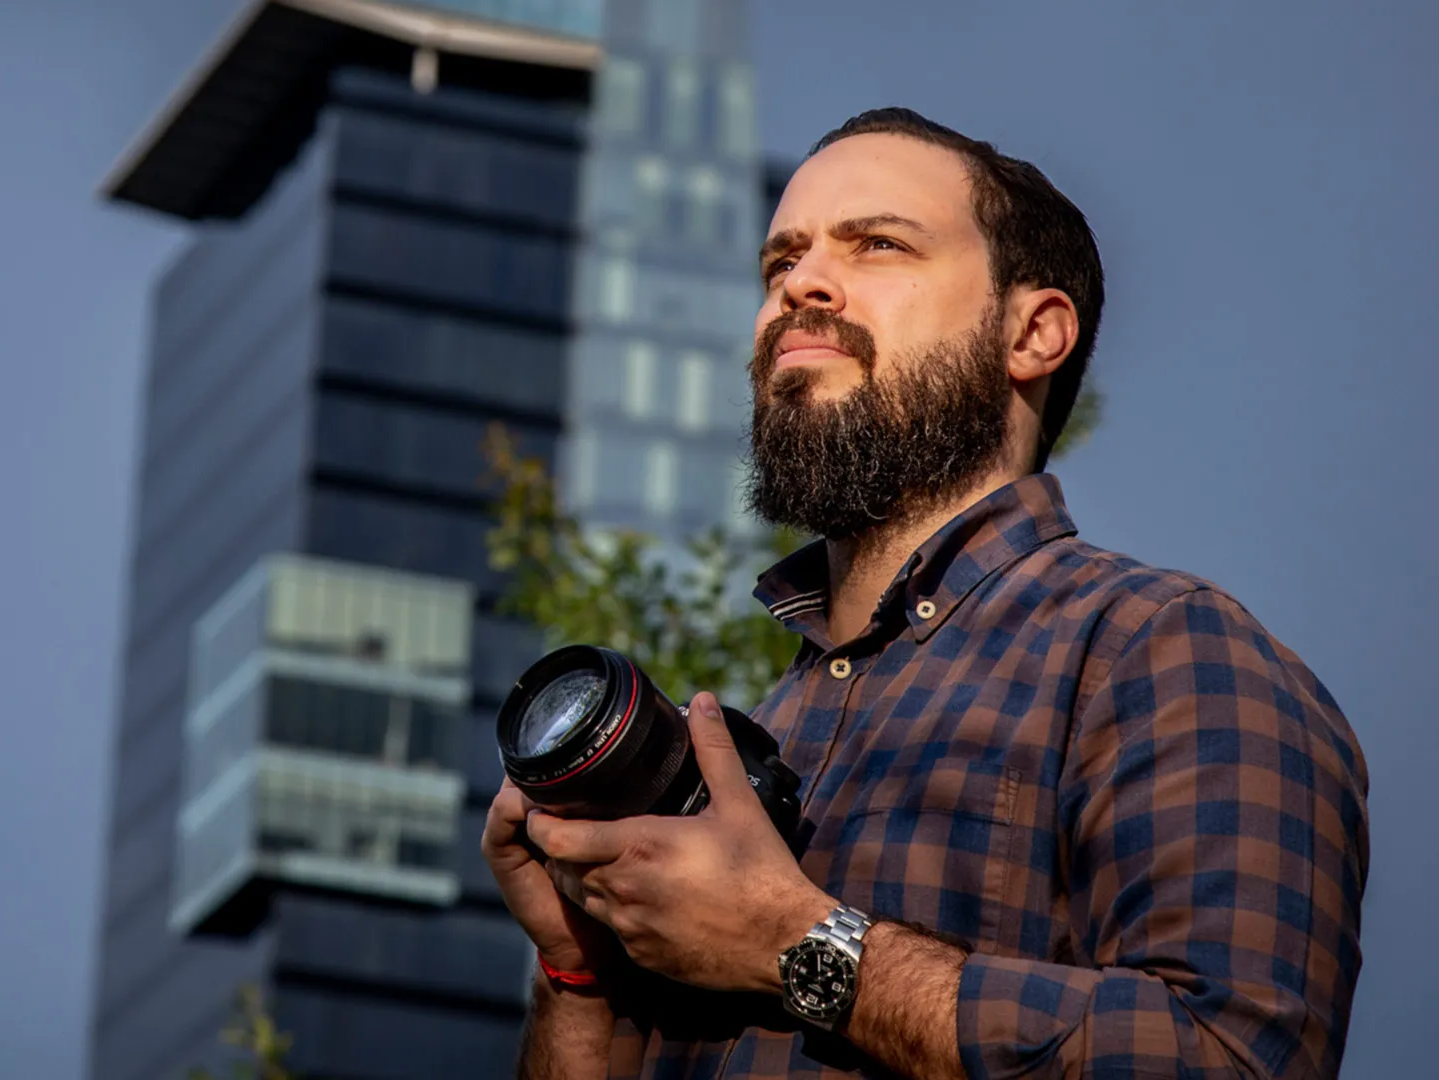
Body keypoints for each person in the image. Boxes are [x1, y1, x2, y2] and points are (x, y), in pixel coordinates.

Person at [481, 108, 1369, 1080]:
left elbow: (1234, 1058)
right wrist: (576, 975)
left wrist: (792, 943)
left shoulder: (1159, 655)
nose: (800, 285)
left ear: (1032, 332)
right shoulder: (734, 752)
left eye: (878, 246)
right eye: (780, 262)